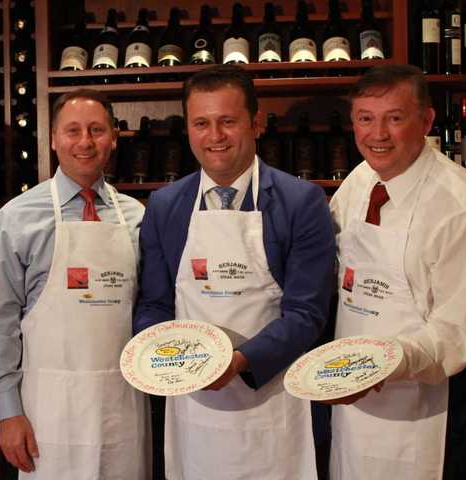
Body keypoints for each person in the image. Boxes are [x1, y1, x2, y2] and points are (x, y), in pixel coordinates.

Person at [133, 64, 335, 479]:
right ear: (188, 129)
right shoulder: (165, 205)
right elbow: (155, 303)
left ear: (256, 123)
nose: (215, 137)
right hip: (190, 406)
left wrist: (240, 361)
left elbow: (306, 315)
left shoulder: (302, 202)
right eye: (201, 123)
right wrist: (156, 357)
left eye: (228, 121)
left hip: (273, 400)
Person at [329, 64, 466, 480]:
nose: (378, 135)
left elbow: (456, 334)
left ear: (426, 120)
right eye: (365, 119)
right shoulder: (359, 181)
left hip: (434, 404)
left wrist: (383, 364)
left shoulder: (464, 208)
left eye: (395, 118)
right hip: (356, 396)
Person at [0, 89, 149, 479]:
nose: (85, 142)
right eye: (72, 131)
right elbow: (0, 321)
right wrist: (8, 413)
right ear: (53, 138)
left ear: (113, 138)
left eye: (96, 130)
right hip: (46, 415)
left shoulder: (137, 217)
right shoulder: (18, 217)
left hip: (122, 409)